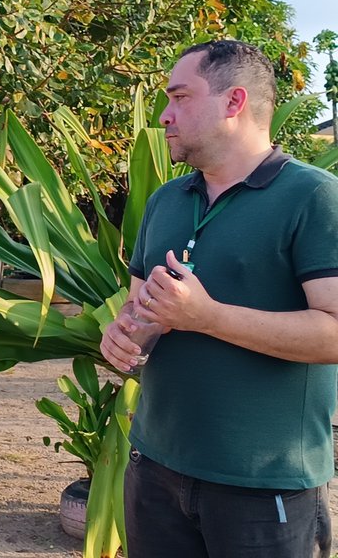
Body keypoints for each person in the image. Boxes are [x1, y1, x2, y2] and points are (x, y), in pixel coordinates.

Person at [100, 40, 338, 558]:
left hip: (264, 483)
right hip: (156, 469)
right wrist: (125, 333)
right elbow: (140, 307)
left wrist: (207, 317)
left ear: (234, 103)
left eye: (180, 97)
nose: (164, 115)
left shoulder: (314, 197)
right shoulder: (166, 199)